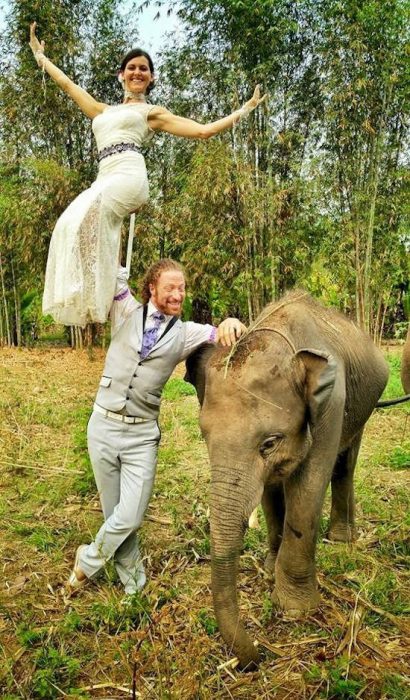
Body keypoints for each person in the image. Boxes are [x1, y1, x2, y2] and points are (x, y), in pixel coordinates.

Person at [29, 22, 266, 327]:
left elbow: (203, 131)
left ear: (151, 77)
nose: (137, 72)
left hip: (128, 174)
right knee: (68, 223)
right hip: (104, 176)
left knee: (89, 212)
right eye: (131, 67)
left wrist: (243, 111)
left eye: (143, 68)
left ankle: (108, 288)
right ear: (121, 75)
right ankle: (111, 290)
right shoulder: (102, 111)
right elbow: (68, 85)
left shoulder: (152, 112)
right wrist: (40, 57)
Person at [66, 258, 246, 597]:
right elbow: (107, 277)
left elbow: (218, 333)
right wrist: (113, 260)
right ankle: (134, 583)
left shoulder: (184, 333)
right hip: (102, 426)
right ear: (152, 288)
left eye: (182, 288)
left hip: (141, 435)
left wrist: (232, 322)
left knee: (130, 515)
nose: (178, 295)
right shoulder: (125, 311)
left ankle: (87, 560)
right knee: (115, 512)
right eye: (170, 288)